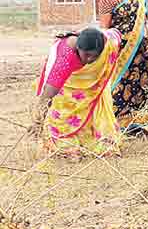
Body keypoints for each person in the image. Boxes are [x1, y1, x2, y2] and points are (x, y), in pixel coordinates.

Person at [35, 27, 123, 157]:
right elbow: (50, 91)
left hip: (90, 82)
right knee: (64, 108)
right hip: (69, 83)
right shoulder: (66, 57)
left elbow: (116, 33)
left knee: (92, 107)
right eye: (84, 54)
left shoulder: (108, 42)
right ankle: (63, 141)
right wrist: (38, 119)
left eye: (92, 56)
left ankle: (93, 136)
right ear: (78, 48)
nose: (87, 59)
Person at [97, 0, 148, 133]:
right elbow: (105, 28)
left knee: (139, 86)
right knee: (119, 86)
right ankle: (116, 124)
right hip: (121, 52)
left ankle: (135, 124)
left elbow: (144, 24)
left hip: (140, 52)